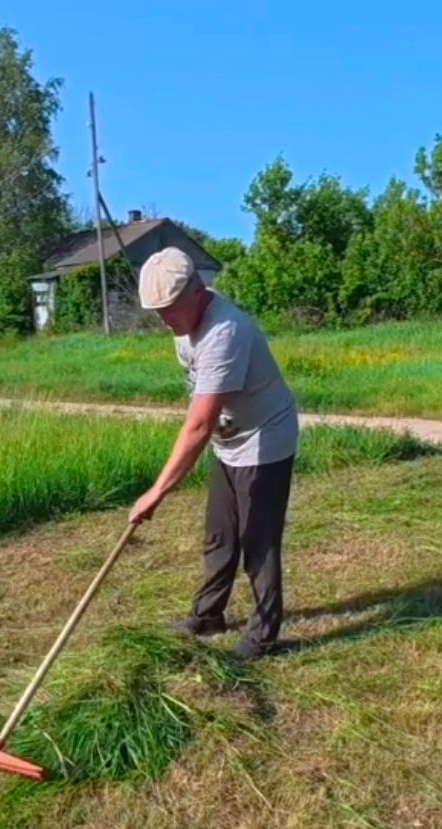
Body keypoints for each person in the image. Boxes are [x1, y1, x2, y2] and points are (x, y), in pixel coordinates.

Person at [126, 246, 299, 660]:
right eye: (156, 311)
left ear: (196, 291)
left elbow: (199, 424)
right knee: (220, 535)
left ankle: (263, 636)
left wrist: (156, 492)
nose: (163, 319)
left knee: (257, 540)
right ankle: (207, 616)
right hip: (229, 440)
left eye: (168, 308)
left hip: (265, 438)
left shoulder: (226, 332)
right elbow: (203, 403)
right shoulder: (184, 330)